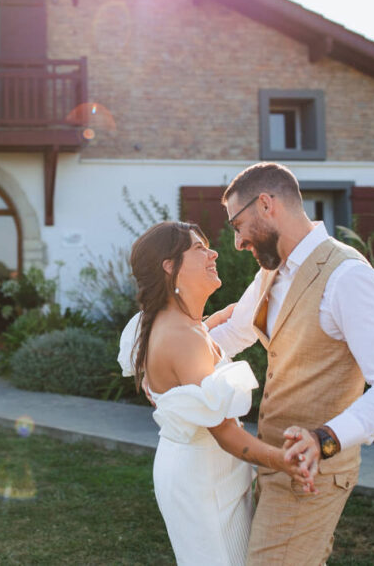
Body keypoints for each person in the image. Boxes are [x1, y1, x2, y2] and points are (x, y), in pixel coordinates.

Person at [205, 162, 374, 565]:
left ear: (266, 204)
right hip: (271, 464)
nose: (237, 242)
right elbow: (231, 335)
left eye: (237, 224)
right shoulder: (271, 273)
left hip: (312, 474)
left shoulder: (347, 277)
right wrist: (167, 360)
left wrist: (324, 439)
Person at [126, 220, 314, 565]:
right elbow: (226, 434)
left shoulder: (162, 323)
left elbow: (187, 350)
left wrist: (212, 321)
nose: (213, 252)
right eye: (199, 248)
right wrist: (283, 462)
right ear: (170, 266)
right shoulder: (184, 338)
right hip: (204, 482)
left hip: (200, 469)